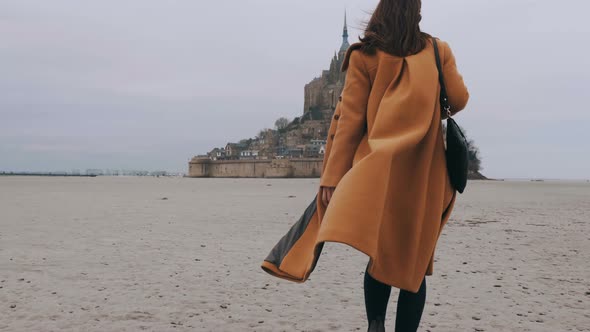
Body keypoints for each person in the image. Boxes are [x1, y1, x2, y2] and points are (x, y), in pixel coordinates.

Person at [318, 1, 469, 331]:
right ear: (415, 14)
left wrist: (332, 177)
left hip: (379, 173)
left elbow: (350, 121)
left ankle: (375, 325)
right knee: (415, 262)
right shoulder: (437, 51)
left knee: (381, 254)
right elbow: (458, 101)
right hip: (426, 176)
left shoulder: (363, 55)